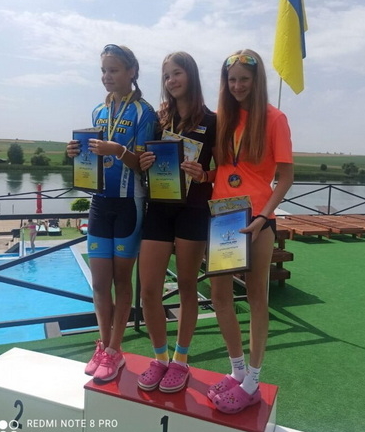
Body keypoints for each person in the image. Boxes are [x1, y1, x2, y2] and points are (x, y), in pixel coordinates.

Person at [207, 49, 293, 413]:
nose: (238, 86)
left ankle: (254, 381)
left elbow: (285, 177)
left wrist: (263, 217)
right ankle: (237, 371)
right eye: (232, 79)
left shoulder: (275, 118)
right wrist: (203, 174)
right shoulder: (223, 118)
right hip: (223, 217)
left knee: (257, 298)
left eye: (244, 79)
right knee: (220, 298)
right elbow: (224, 169)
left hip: (257, 221)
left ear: (257, 81)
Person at [67, 44, 157, 383]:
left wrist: (118, 150)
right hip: (100, 203)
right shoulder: (98, 111)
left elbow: (143, 165)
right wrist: (74, 153)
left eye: (114, 70)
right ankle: (103, 346)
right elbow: (91, 160)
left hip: (128, 203)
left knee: (121, 281)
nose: (107, 76)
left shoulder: (144, 113)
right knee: (100, 282)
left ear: (132, 71)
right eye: (104, 71)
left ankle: (116, 350)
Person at [137, 52, 216, 393]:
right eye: (167, 75)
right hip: (159, 207)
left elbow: (225, 171)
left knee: (186, 286)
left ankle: (180, 360)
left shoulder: (213, 121)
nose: (171, 81)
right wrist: (144, 161)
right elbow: (144, 159)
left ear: (191, 76)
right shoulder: (159, 120)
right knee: (149, 289)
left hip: (193, 211)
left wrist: (204, 174)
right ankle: (159, 358)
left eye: (177, 73)